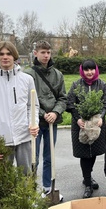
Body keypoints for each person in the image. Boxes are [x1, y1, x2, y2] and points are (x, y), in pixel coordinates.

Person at [0, 41, 39, 175]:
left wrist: (33, 123)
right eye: (2, 54)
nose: (5, 57)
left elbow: (32, 105)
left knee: (26, 178)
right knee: (1, 180)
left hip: (24, 137)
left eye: (9, 54)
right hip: (1, 140)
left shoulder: (27, 80)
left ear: (14, 56)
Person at [24, 40, 67, 199]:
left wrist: (55, 113)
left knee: (49, 157)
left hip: (52, 122)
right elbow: (27, 100)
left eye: (48, 52)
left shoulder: (58, 75)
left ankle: (47, 188)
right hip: (35, 123)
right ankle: (30, 190)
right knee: (33, 158)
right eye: (43, 52)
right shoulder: (28, 74)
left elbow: (63, 98)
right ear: (36, 53)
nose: (46, 55)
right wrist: (42, 113)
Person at [66, 59, 106, 198]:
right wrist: (78, 118)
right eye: (86, 69)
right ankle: (87, 183)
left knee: (94, 152)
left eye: (92, 69)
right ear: (82, 70)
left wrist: (101, 117)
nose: (89, 72)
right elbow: (70, 103)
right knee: (84, 153)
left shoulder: (102, 85)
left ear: (96, 70)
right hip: (81, 124)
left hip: (97, 124)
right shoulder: (76, 85)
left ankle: (88, 176)